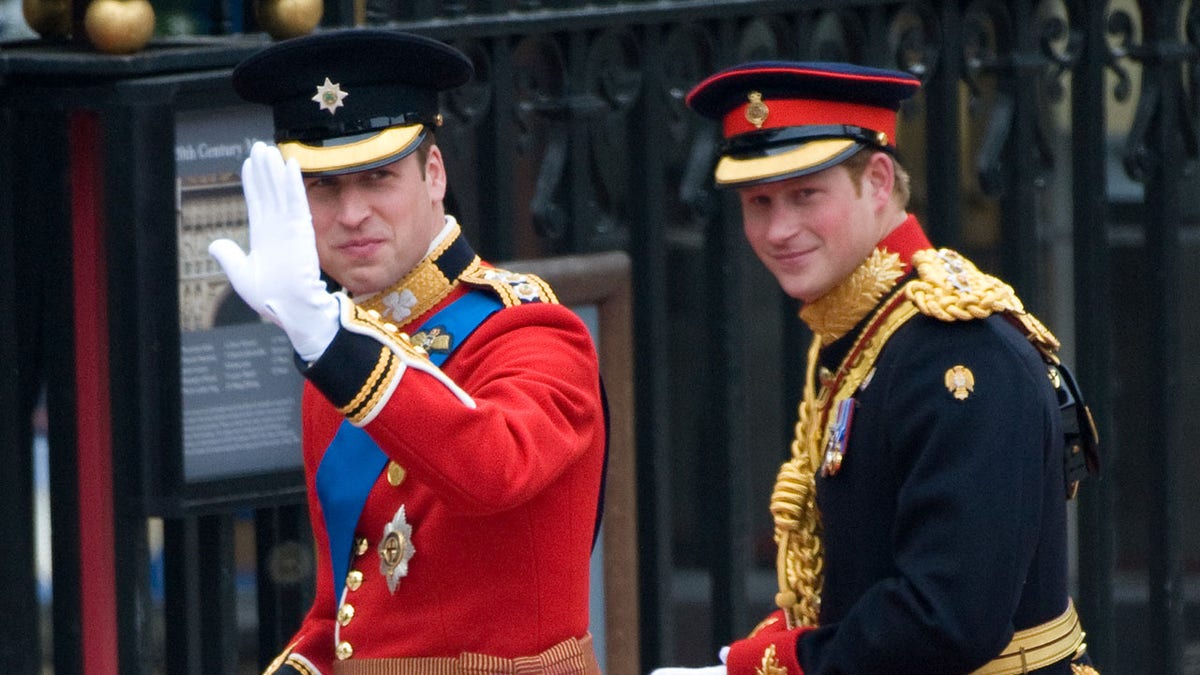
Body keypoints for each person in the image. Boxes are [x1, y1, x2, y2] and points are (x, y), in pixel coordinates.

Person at [653, 62, 1101, 674]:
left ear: (879, 181)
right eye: (758, 202)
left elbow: (948, 620)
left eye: (806, 195)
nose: (779, 230)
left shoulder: (957, 351)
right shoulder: (858, 328)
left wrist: (776, 665)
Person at [209, 29, 608, 675]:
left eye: (378, 178)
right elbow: (343, 613)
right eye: (324, 188)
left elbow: (493, 468)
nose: (352, 213)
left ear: (433, 174)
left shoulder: (530, 329)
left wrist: (330, 343)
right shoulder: (339, 352)